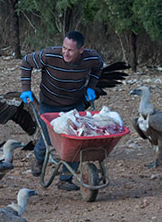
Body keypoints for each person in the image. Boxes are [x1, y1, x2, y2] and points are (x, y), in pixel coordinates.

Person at [20, 30, 104, 191]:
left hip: (74, 104)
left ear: (81, 49)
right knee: (49, 138)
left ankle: (65, 178)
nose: (65, 52)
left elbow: (99, 67)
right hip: (49, 103)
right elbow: (26, 62)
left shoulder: (91, 58)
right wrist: (26, 89)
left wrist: (91, 87)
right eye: (64, 48)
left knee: (75, 139)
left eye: (70, 50)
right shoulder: (50, 55)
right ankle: (38, 158)